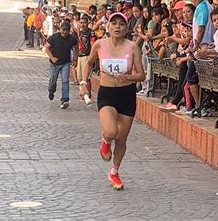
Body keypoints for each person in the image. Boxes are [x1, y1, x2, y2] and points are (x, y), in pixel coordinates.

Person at [79, 12, 145, 190]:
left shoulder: (132, 47)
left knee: (122, 139)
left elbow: (142, 75)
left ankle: (114, 172)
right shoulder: (100, 44)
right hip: (107, 93)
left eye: (121, 24)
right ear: (108, 27)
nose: (117, 27)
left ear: (126, 28)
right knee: (110, 131)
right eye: (114, 23)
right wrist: (84, 83)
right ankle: (106, 141)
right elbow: (89, 63)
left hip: (127, 95)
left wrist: (128, 77)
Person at [45, 21, 78, 109]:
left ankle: (65, 100)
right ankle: (51, 91)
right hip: (55, 63)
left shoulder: (71, 39)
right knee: (53, 80)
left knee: (65, 80)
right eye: (63, 30)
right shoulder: (54, 37)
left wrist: (75, 59)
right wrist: (52, 57)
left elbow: (76, 47)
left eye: (67, 30)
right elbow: (47, 48)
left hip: (66, 62)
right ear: (60, 29)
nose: (65, 32)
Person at [76, 15, 97, 101]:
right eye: (81, 23)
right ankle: (83, 95)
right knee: (80, 77)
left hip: (87, 56)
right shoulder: (80, 32)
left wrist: (92, 57)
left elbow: (93, 45)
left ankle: (88, 95)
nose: (82, 24)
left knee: (87, 77)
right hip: (80, 56)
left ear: (88, 23)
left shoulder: (91, 32)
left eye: (84, 22)